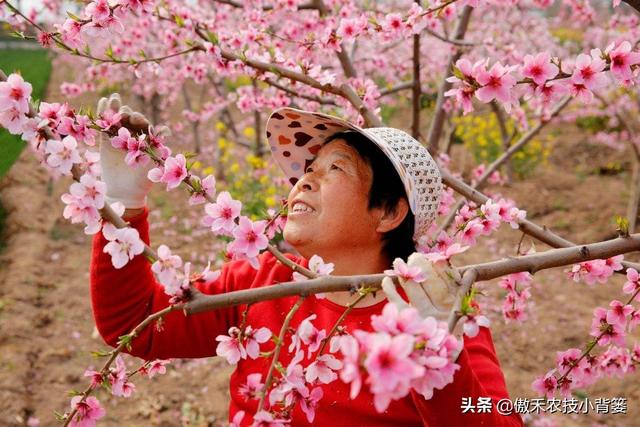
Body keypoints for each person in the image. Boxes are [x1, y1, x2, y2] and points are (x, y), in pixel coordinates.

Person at [91, 94, 524, 426]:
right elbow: (136, 325)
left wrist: (437, 352)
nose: (306, 180)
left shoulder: (436, 311)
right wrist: (122, 205)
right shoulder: (265, 278)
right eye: (308, 168)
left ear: (389, 213)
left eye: (336, 168)